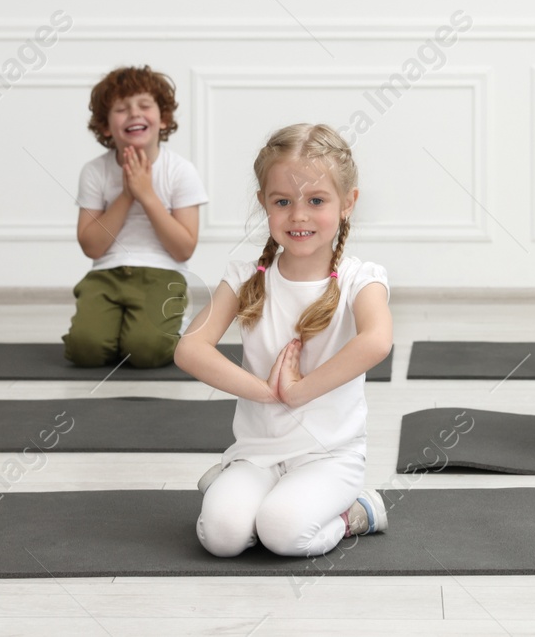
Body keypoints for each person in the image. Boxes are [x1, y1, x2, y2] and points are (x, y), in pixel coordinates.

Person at [176, 123, 392, 556]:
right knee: (221, 537)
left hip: (329, 458)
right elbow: (190, 349)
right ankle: (235, 485)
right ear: (264, 203)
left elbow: (376, 341)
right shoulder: (244, 277)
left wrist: (297, 391)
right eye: (283, 201)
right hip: (258, 453)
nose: (299, 215)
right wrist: (265, 391)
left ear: (348, 203)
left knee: (282, 533)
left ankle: (356, 509)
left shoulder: (359, 279)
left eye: (316, 200)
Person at [64, 66, 206, 368]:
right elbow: (92, 246)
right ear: (105, 126)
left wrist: (146, 194)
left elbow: (183, 248)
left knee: (146, 352)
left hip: (162, 274)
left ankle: (169, 327)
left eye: (144, 105)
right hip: (106, 274)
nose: (133, 114)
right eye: (121, 109)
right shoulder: (95, 171)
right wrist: (127, 194)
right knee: (85, 351)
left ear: (163, 118)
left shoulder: (181, 172)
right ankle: (117, 331)